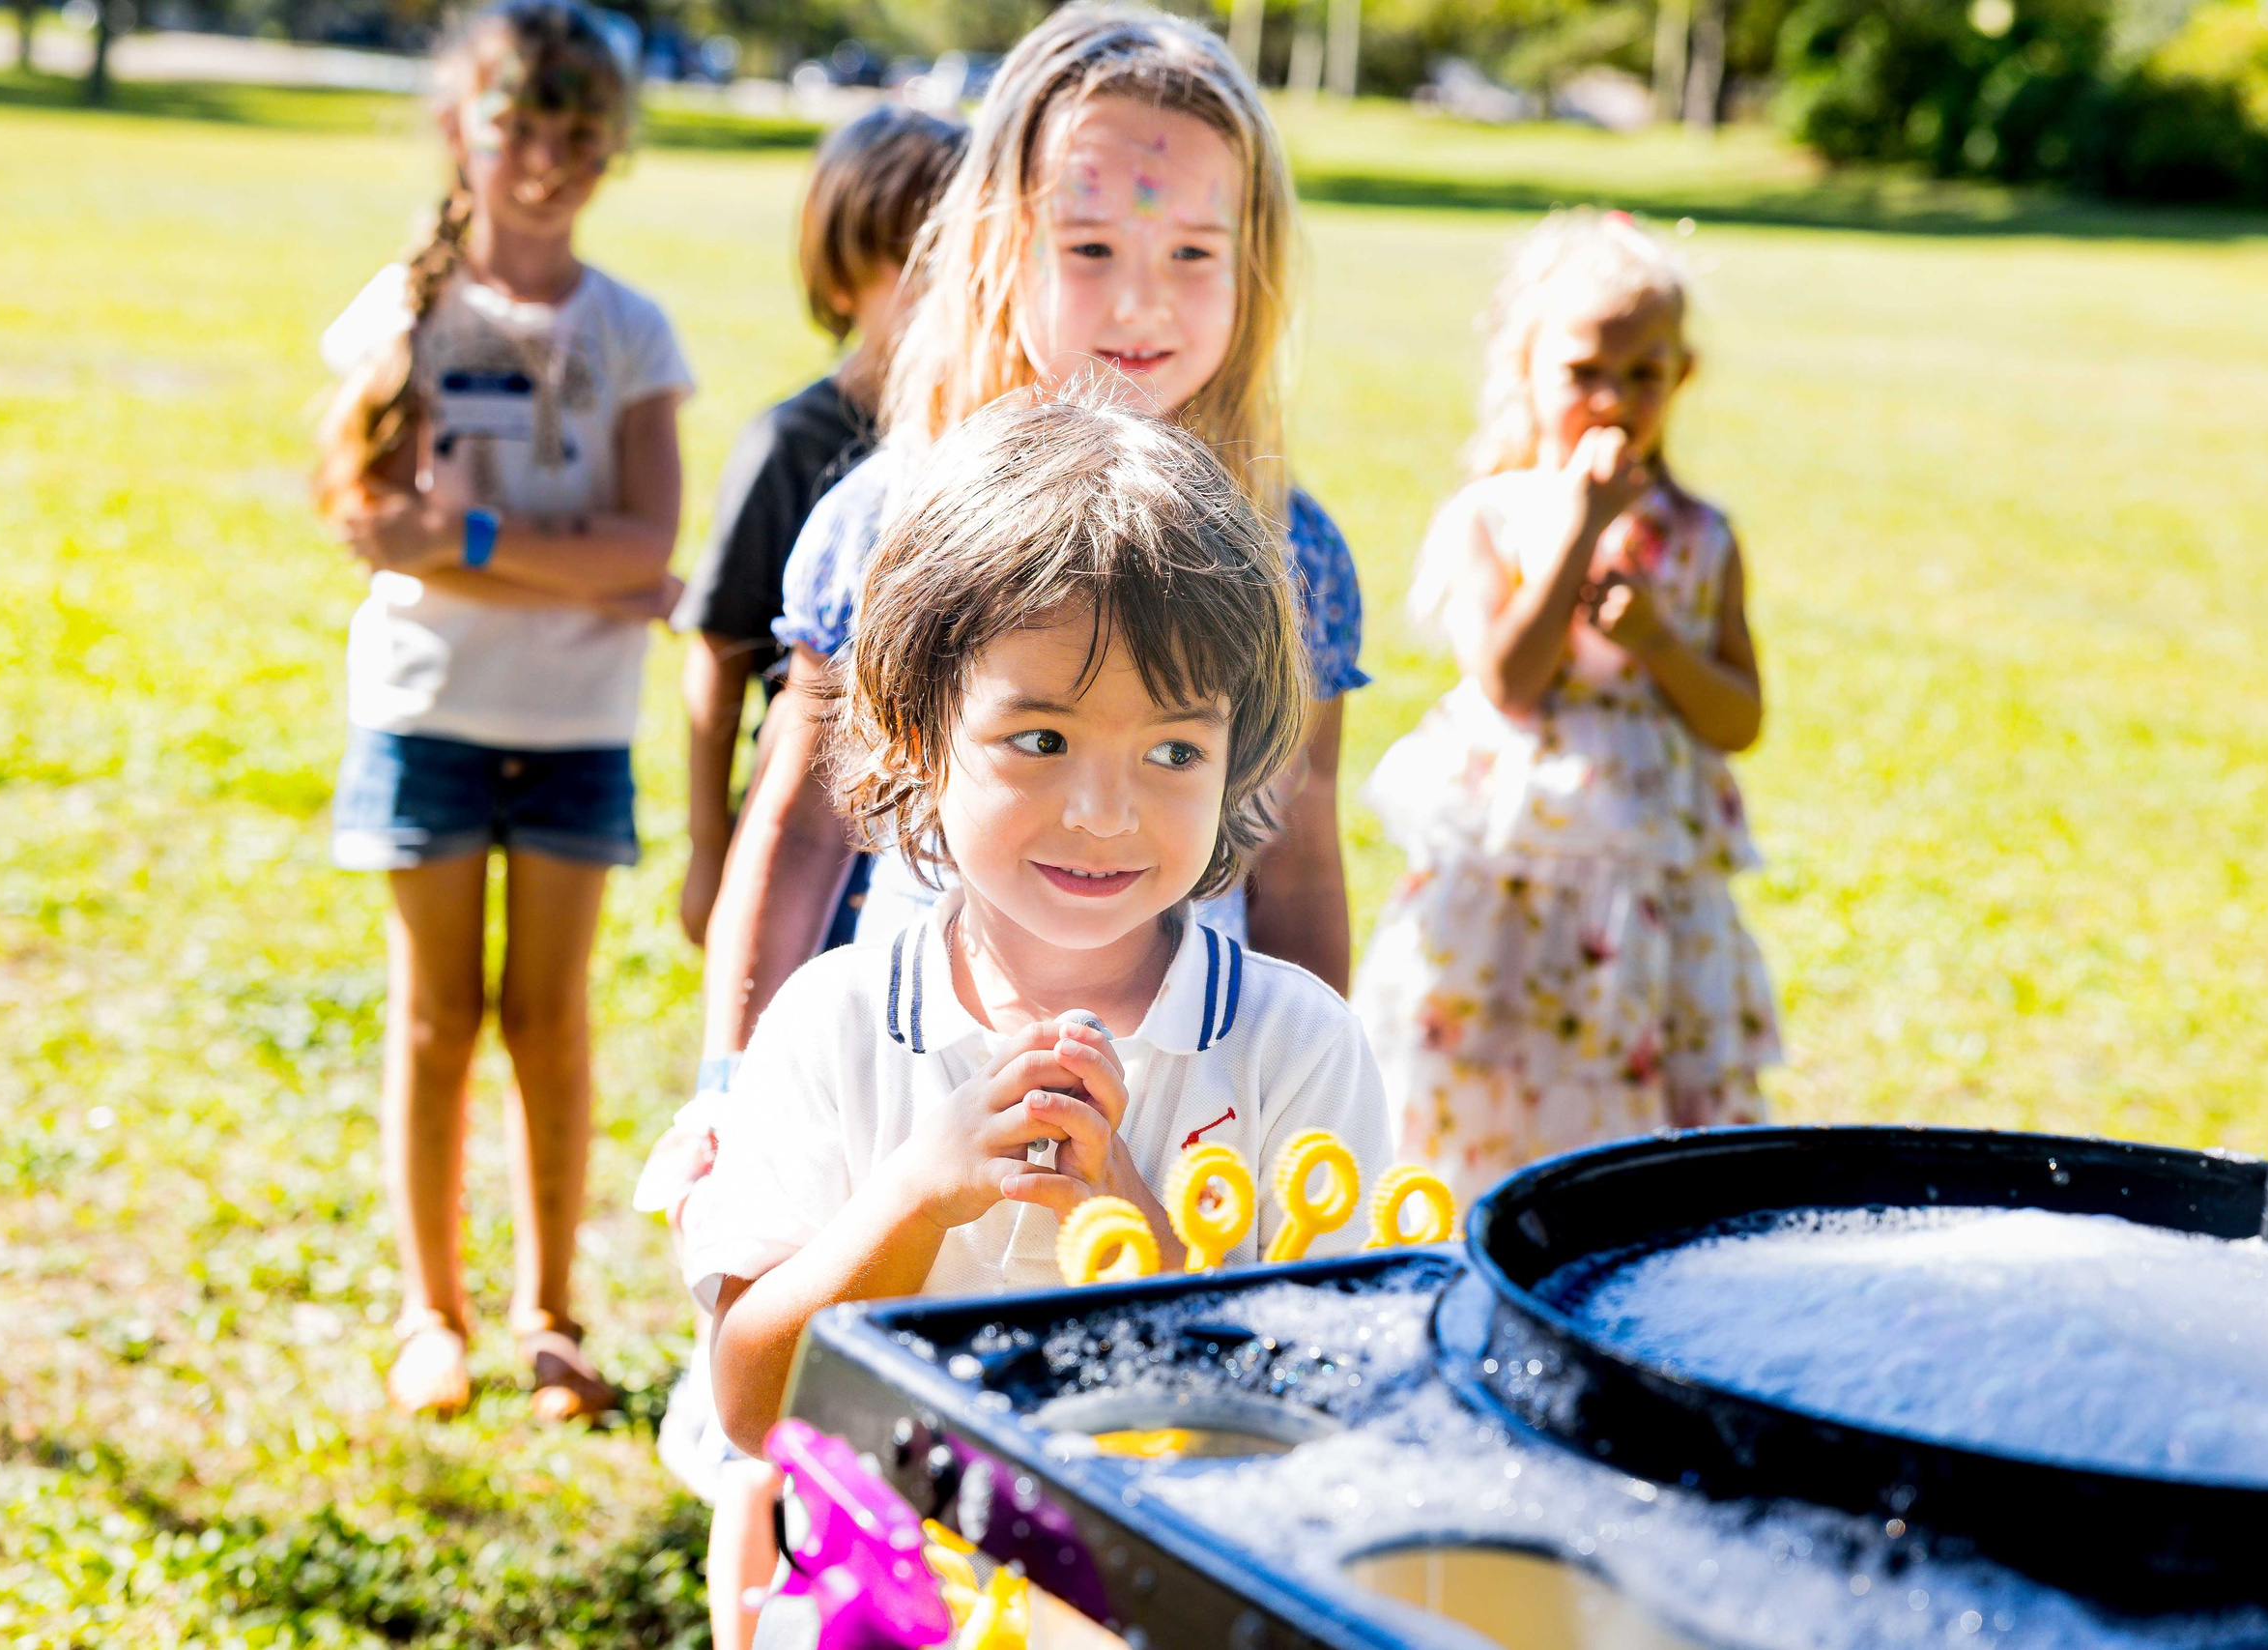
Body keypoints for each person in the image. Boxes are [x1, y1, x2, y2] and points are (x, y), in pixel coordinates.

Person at [643, 390, 1389, 1505]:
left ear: (1242, 761)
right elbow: (753, 1404)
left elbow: (1331, 1427)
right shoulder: (832, 1023)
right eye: (1039, 738)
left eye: (1174, 751)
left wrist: (1129, 1234)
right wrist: (917, 1194)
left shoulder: (1297, 1046)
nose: (1102, 810)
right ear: (913, 727)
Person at [688, 1, 1371, 1173]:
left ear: (1250, 266)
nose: (1141, 301)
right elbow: (800, 830)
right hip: (915, 1085)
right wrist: (731, 1087)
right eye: (1090, 246)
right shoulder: (883, 520)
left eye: (1193, 252)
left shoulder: (1289, 552)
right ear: (1002, 242)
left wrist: (1307, 1123)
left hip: (1186, 1105)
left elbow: (1299, 850)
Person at [312, 0, 691, 1423]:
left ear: (610, 153)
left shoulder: (634, 332)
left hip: (579, 728)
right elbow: (361, 515)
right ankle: (432, 1311)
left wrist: (471, 545)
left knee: (549, 1019)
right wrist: (571, 560)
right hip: (427, 712)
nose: (544, 159)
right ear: (461, 129)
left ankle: (550, 1310)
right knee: (433, 1021)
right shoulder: (400, 310)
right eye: (517, 125)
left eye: (576, 133)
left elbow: (646, 551)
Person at [1351, 209, 1782, 1215]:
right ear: (1528, 371)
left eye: (1644, 375)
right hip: (1515, 869)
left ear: (1682, 377)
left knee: (1636, 1088)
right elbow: (1509, 679)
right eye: (1585, 373)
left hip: (1645, 876)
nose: (1613, 401)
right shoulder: (1491, 517)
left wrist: (1661, 645)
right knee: (1496, 1069)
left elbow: (1737, 717)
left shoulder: (1701, 539)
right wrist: (1577, 531)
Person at [675, 105, 966, 951]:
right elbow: (719, 651)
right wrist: (706, 852)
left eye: (966, 258)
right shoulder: (789, 445)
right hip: (814, 841)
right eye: (913, 265)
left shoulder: (1002, 438)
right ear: (842, 281)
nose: (948, 291)